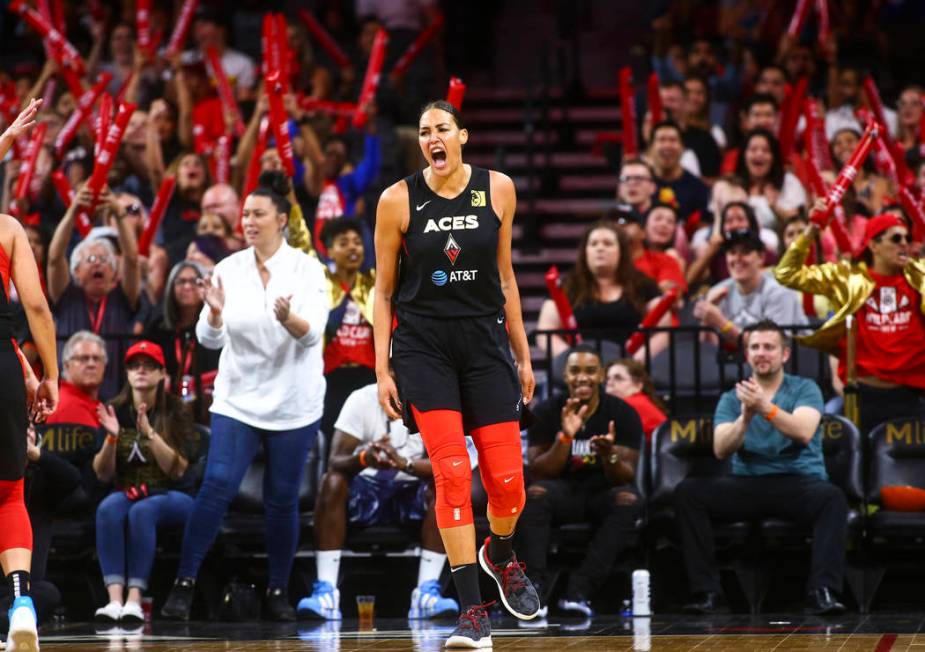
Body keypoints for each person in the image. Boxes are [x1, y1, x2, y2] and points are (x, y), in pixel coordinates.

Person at [373, 100, 540, 648]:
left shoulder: (499, 189)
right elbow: (383, 292)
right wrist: (383, 369)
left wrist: (522, 354)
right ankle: (473, 610)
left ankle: (502, 551)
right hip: (423, 349)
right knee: (450, 473)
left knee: (508, 484)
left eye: (442, 128)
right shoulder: (396, 200)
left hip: (485, 344)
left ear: (462, 135)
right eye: (424, 132)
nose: (433, 138)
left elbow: (507, 278)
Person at [160, 171, 329, 622]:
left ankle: (277, 590)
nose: (248, 221)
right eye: (245, 214)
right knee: (216, 485)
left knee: (281, 497)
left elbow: (313, 337)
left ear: (281, 218)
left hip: (294, 402)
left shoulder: (308, 269)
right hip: (237, 398)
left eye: (257, 214)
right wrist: (213, 314)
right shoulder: (228, 268)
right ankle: (184, 584)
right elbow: (209, 341)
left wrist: (289, 318)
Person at [674, 321, 847, 615]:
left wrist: (764, 407)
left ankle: (823, 591)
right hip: (748, 484)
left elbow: (803, 431)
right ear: (747, 355)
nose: (761, 353)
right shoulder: (732, 398)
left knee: (832, 499)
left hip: (798, 481)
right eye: (755, 347)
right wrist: (744, 417)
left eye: (769, 347)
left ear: (785, 355)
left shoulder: (806, 388)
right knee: (688, 494)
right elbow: (720, 449)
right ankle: (707, 592)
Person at [297, 381, 459, 621]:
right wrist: (365, 458)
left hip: (409, 487)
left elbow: (446, 465)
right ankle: (326, 592)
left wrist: (404, 463)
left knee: (445, 485)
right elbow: (336, 461)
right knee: (331, 482)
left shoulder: (432, 399)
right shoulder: (361, 399)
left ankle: (426, 592)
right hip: (366, 488)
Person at [517, 345, 643, 617]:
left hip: (603, 491)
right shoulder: (548, 411)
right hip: (562, 490)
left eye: (590, 371)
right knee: (535, 494)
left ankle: (580, 591)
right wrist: (565, 437)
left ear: (601, 375)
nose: (582, 377)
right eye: (575, 371)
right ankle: (534, 590)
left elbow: (626, 476)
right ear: (565, 375)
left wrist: (609, 455)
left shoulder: (622, 413)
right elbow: (540, 471)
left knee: (629, 500)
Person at [775, 209, 925, 436]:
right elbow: (786, 273)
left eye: (907, 238)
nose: (904, 244)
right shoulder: (848, 279)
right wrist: (810, 232)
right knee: (862, 466)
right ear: (874, 246)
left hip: (912, 395)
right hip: (864, 395)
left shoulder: (920, 276)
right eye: (896, 238)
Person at [0, 98, 60, 652]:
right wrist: (48, 373)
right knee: (9, 494)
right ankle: (21, 602)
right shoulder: (8, 229)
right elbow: (36, 309)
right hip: (0, 359)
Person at [91, 341, 198, 624]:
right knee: (108, 508)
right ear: (126, 373)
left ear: (162, 373)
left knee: (143, 511)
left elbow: (179, 471)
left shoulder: (176, 410)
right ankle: (114, 600)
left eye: (149, 366)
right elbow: (102, 473)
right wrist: (112, 438)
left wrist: (150, 433)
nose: (141, 371)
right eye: (135, 366)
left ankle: (135, 600)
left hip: (174, 495)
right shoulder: (114, 409)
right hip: (128, 491)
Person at [47, 184, 141, 400]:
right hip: (68, 397)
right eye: (90, 259)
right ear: (76, 271)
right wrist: (73, 210)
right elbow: (54, 258)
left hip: (115, 397)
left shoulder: (123, 297)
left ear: (115, 273)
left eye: (105, 260)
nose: (98, 264)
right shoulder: (66, 295)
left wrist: (118, 213)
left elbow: (132, 260)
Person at [536, 220, 666, 360]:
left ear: (621, 251)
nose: (600, 248)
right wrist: (574, 358)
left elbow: (663, 329)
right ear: (585, 251)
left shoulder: (643, 284)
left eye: (608, 244)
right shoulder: (568, 285)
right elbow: (545, 332)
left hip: (628, 369)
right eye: (593, 244)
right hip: (579, 370)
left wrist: (635, 361)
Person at [694, 229, 806, 347]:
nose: (737, 258)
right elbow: (707, 349)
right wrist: (706, 320)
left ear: (761, 257)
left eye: (745, 252)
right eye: (732, 252)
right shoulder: (718, 291)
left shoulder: (780, 291)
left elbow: (772, 347)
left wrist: (721, 323)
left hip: (799, 361)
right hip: (741, 363)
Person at [318, 219, 376, 444]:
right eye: (344, 243)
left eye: (357, 242)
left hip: (369, 378)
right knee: (333, 445)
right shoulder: (321, 283)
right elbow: (300, 239)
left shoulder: (373, 284)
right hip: (331, 378)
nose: (353, 247)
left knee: (370, 443)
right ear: (330, 252)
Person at [143, 261, 220, 423]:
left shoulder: (213, 325)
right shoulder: (158, 327)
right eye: (181, 281)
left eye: (194, 281)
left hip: (208, 404)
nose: (187, 286)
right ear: (171, 287)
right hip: (165, 405)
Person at [735, 128, 807, 228]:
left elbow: (798, 223)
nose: (759, 154)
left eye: (766, 150)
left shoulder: (789, 182)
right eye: (753, 149)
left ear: (774, 157)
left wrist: (774, 208)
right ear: (744, 155)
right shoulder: (733, 186)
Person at [649, 120, 709, 224]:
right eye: (661, 140)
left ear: (683, 147)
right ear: (651, 148)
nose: (667, 145)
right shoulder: (642, 183)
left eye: (673, 140)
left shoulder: (697, 187)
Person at [604, 358, 668, 442]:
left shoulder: (632, 404)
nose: (610, 383)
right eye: (608, 378)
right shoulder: (638, 401)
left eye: (618, 378)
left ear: (638, 386)